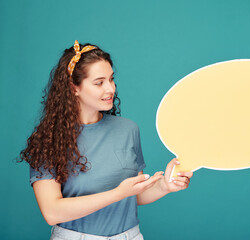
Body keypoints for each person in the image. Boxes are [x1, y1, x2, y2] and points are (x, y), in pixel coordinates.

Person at [19, 40, 193, 240]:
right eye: (99, 82)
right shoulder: (49, 140)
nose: (110, 89)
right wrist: (117, 193)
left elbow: (134, 194)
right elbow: (52, 212)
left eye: (111, 79)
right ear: (73, 87)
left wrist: (165, 185)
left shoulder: (127, 129)